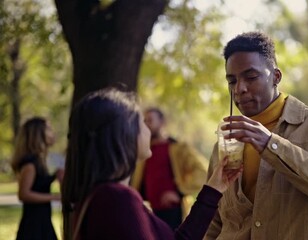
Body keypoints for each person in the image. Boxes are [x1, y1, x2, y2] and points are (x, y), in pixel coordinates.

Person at [204, 32, 308, 240]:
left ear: (276, 77)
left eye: (250, 77)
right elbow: (213, 221)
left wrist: (271, 144)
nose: (239, 89)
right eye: (232, 81)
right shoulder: (226, 142)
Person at [62, 88, 242, 240]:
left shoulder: (103, 196)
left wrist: (213, 189)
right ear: (124, 135)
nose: (147, 127)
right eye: (142, 121)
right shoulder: (117, 199)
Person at [130, 107, 208, 230]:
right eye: (144, 121)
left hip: (173, 214)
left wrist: (179, 192)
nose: (146, 124)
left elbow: (202, 171)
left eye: (150, 120)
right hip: (147, 214)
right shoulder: (143, 150)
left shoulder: (179, 148)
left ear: (162, 122)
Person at [11, 117, 61, 240]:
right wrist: (55, 197)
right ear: (38, 134)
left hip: (43, 220)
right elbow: (24, 194)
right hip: (33, 224)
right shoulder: (30, 164)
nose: (52, 132)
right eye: (48, 129)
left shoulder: (43, 162)